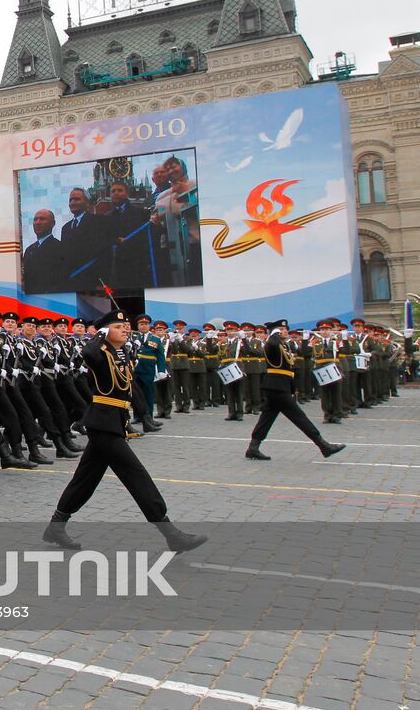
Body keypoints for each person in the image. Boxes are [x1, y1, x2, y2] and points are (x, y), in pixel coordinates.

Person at [43, 310, 206, 552]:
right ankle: (170, 533)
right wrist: (100, 335)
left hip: (113, 422)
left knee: (85, 479)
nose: (126, 329)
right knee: (135, 475)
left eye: (125, 325)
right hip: (103, 424)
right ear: (106, 331)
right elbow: (88, 353)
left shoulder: (119, 353)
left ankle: (56, 526)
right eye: (119, 326)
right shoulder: (99, 352)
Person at [246, 319, 347, 462]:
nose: (286, 331)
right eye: (283, 329)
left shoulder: (282, 345)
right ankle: (323, 445)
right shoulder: (271, 344)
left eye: (286, 329)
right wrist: (274, 333)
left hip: (279, 386)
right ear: (276, 331)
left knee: (266, 419)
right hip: (277, 387)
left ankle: (253, 448)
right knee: (299, 417)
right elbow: (272, 344)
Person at [21, 209, 64, 293]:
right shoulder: (29, 250)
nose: (37, 222)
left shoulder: (60, 247)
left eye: (42, 219)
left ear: (53, 223)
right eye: (35, 219)